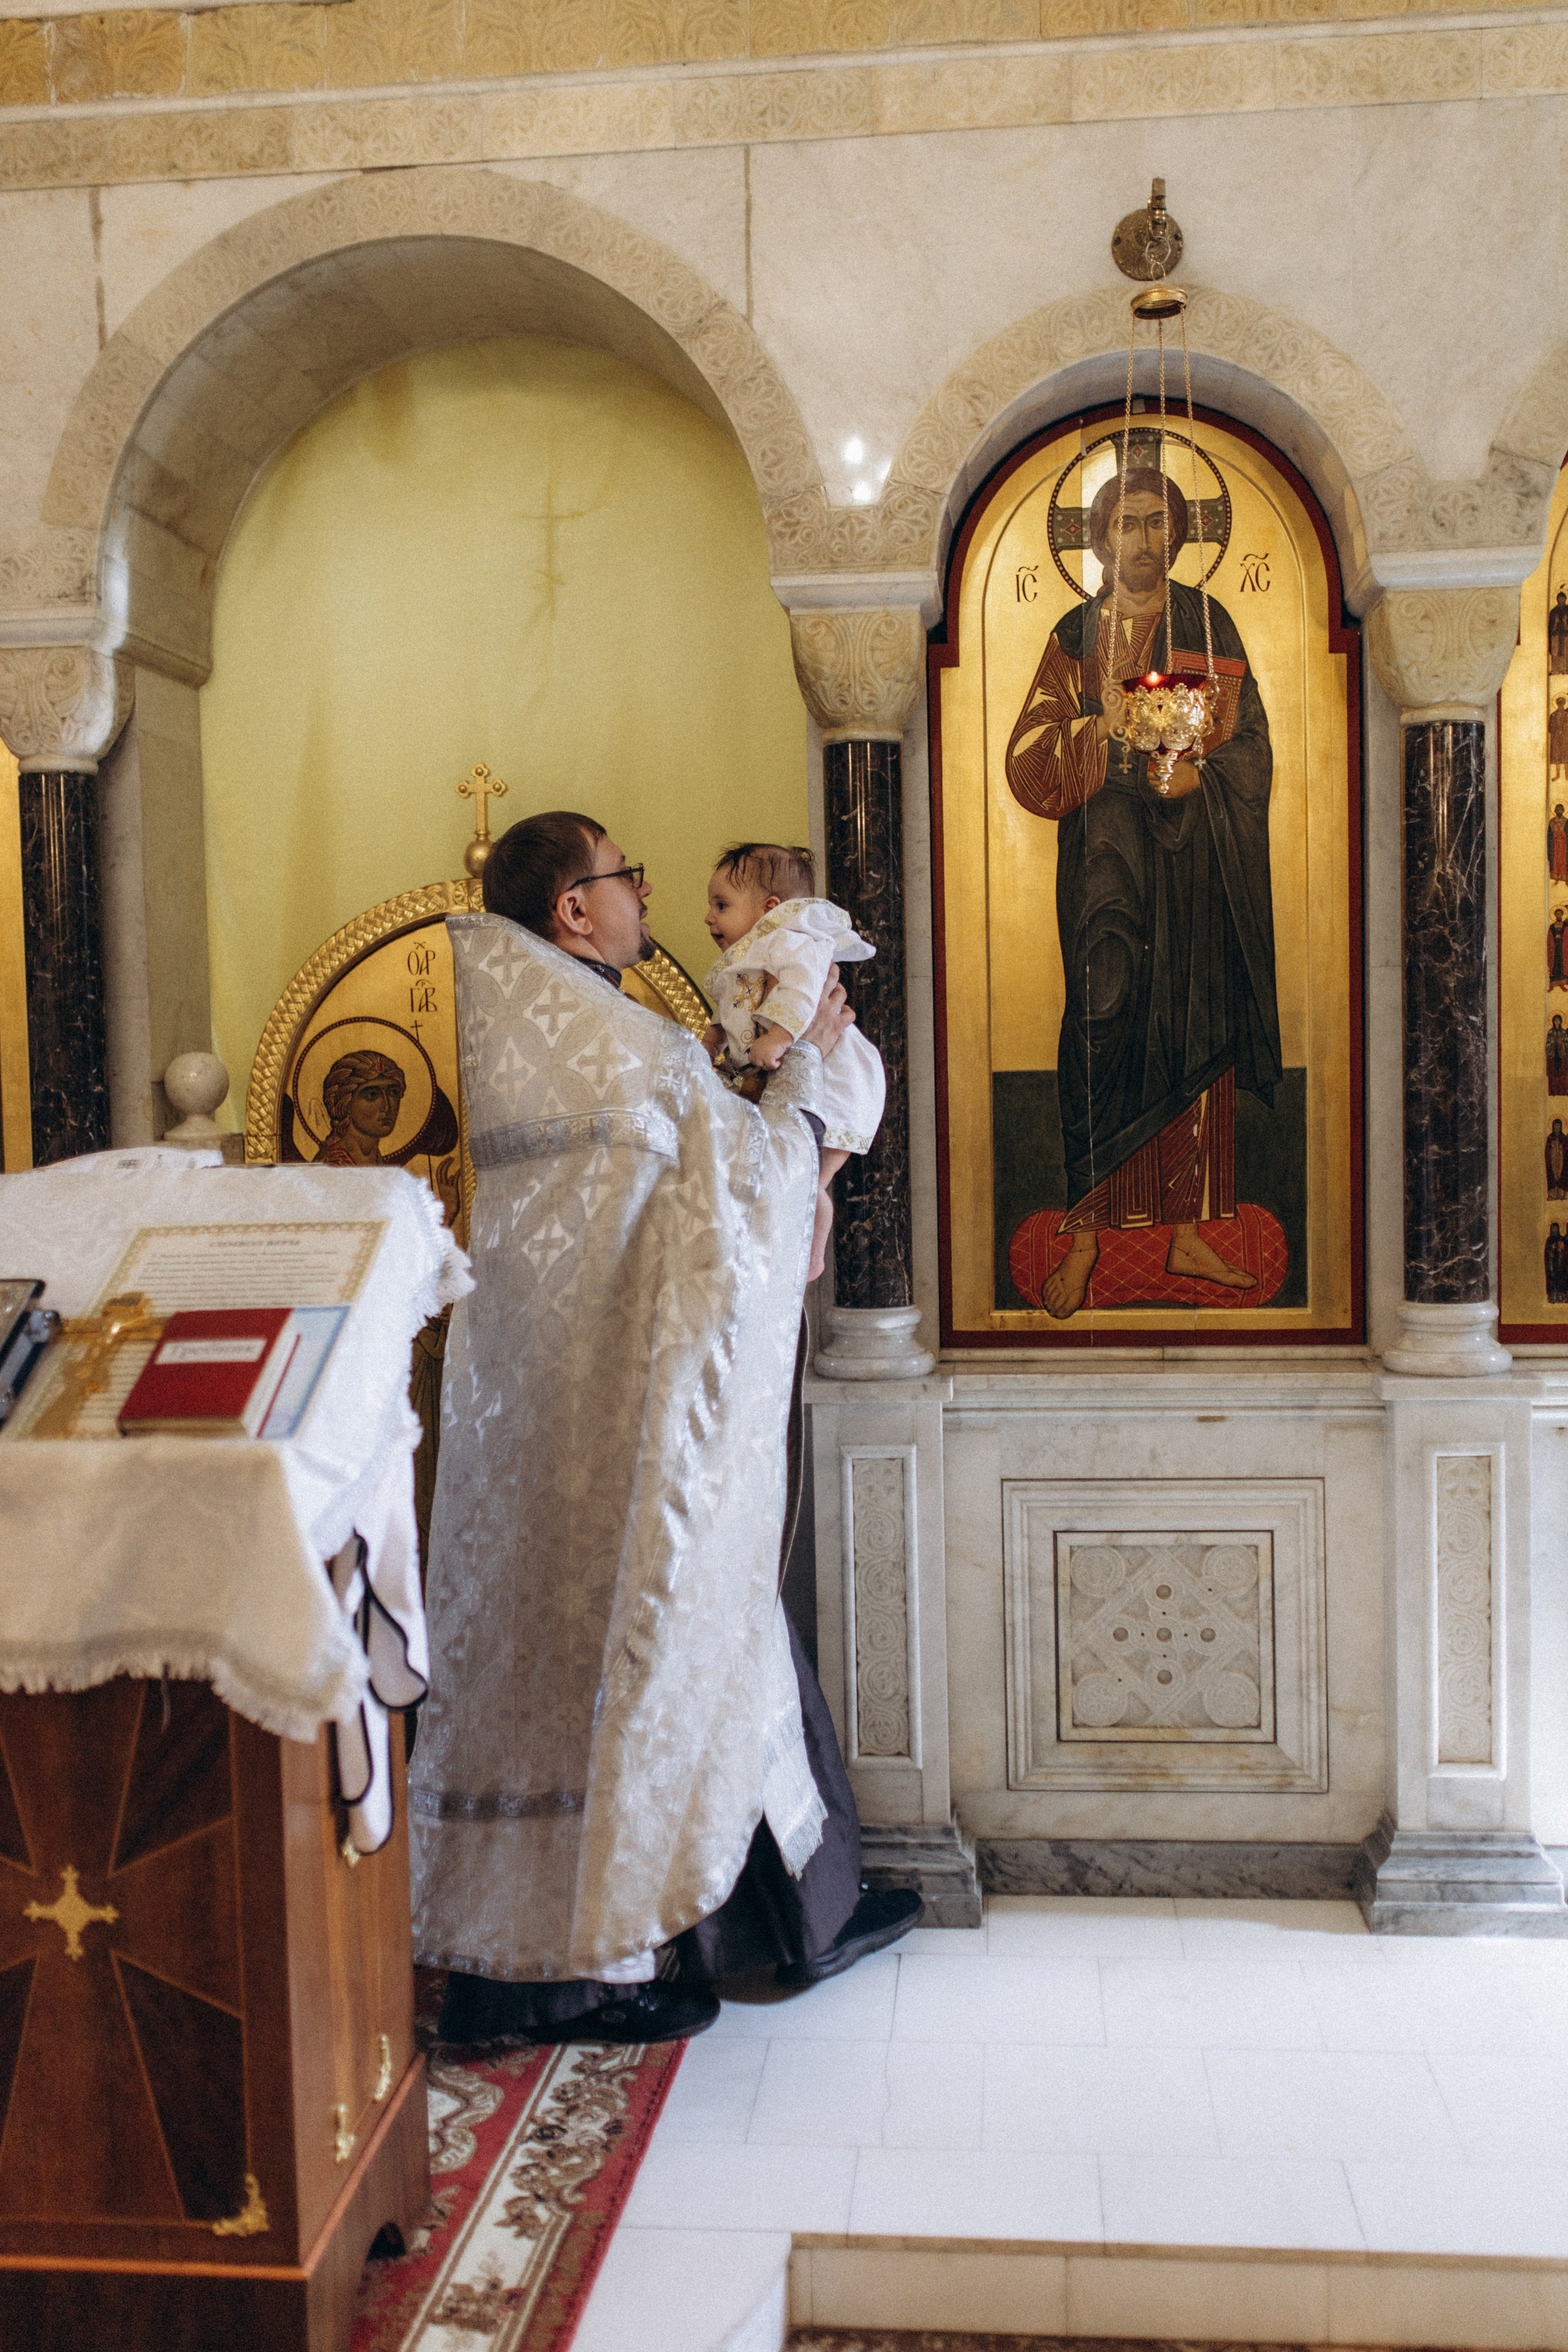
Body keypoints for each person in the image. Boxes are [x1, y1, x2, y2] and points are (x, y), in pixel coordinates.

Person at [410, 810, 920, 2046]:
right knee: (659, 1636)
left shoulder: (550, 1030)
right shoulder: (613, 1042)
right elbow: (744, 1186)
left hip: (551, 1417)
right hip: (622, 1422)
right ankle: (591, 1968)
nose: (643, 895)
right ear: (573, 911)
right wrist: (803, 1076)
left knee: (671, 1646)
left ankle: (776, 1916)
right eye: (623, 877)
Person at [1005, 463, 1281, 1320]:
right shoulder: (1077, 632)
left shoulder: (1210, 622)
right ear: (1100, 540)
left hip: (1196, 860)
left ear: (1179, 532)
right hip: (1105, 859)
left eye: (1160, 522)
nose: (1147, 540)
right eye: (1128, 524)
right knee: (1102, 1013)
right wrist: (1112, 739)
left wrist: (1202, 782)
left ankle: (1192, 1232)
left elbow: (1254, 744)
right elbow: (1029, 754)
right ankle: (1085, 1238)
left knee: (1196, 1019)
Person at [703, 843, 886, 1282]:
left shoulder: (790, 941)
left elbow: (805, 992)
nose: (710, 917)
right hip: (797, 1074)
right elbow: (729, 1013)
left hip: (838, 1079)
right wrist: (710, 1043)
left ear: (770, 909)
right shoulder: (748, 960)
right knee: (797, 1175)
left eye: (722, 905)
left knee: (808, 1179)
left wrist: (782, 1037)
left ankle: (813, 1256)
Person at [316, 1049, 405, 1165]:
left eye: (393, 1093)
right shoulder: (332, 1166)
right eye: (372, 1095)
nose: (387, 1107)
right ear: (346, 1103)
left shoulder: (377, 1162)